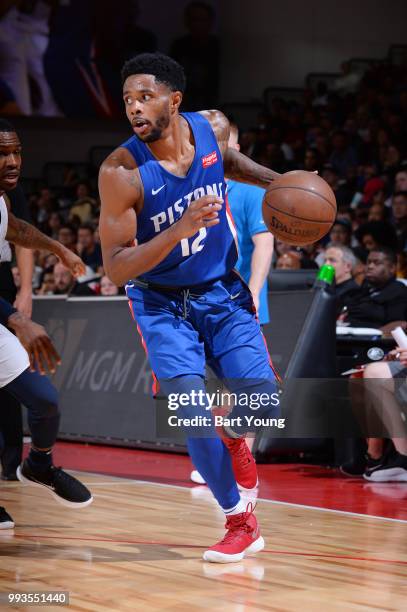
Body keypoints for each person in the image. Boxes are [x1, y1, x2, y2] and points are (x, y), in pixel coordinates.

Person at [99, 53, 283, 563]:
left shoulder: (213, 128)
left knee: (262, 405)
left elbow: (229, 162)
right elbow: (116, 269)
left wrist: (278, 182)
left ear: (174, 100)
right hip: (160, 305)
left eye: (145, 97)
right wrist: (178, 231)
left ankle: (235, 439)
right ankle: (240, 522)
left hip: (221, 292)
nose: (134, 108)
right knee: (190, 414)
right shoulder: (121, 171)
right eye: (128, 100)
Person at [0, 118, 92, 529]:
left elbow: (16, 230)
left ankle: (39, 464)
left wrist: (58, 249)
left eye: (16, 151)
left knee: (44, 401)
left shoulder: (2, 200)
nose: (13, 161)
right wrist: (18, 319)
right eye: (3, 154)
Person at [190, 122, 274, 486]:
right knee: (217, 385)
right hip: (202, 300)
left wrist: (254, 288)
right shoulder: (194, 184)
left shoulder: (248, 190)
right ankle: (226, 459)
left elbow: (265, 243)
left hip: (239, 298)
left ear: (236, 148)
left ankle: (243, 462)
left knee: (247, 386)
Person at [341, 247, 407, 329]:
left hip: (372, 339)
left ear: (392, 268)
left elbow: (399, 324)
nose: (370, 266)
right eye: (368, 262)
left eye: (377, 263)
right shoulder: (362, 289)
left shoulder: (397, 290)